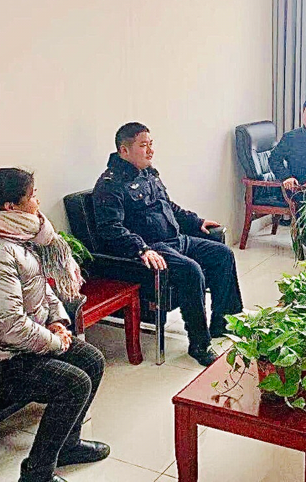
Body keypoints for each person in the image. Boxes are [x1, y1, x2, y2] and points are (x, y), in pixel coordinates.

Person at [0, 169, 109, 482]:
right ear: (10, 206)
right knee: (73, 384)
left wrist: (57, 321)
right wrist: (55, 342)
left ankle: (67, 446)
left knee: (92, 360)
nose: (38, 202)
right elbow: (10, 327)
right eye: (32, 196)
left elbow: (40, 288)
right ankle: (36, 474)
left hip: (10, 343)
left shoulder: (13, 233)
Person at [92, 122, 243, 366]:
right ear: (124, 150)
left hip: (176, 240)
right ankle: (199, 344)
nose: (150, 150)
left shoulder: (149, 173)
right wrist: (141, 248)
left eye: (151, 144)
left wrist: (196, 222)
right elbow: (110, 229)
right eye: (144, 145)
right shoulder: (110, 185)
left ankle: (223, 322)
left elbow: (168, 207)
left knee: (223, 254)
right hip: (153, 247)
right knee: (191, 270)